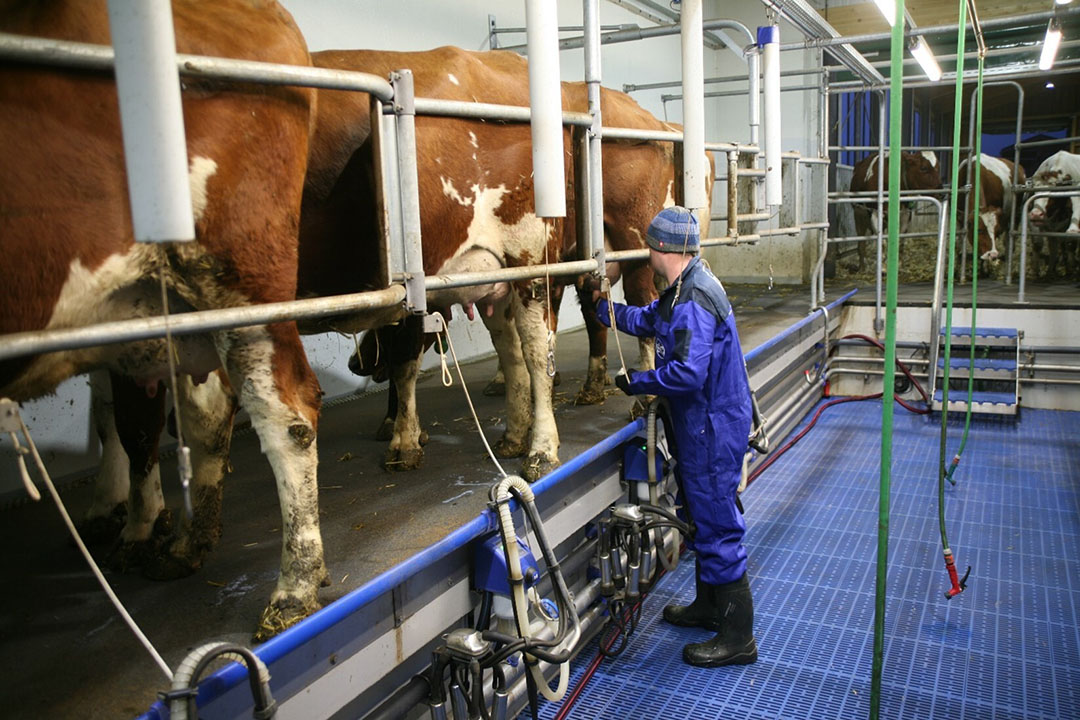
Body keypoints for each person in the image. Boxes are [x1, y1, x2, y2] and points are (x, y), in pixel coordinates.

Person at [596, 205, 756, 667]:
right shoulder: (682, 289)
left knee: (718, 525)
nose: (646, 253)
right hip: (699, 425)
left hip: (711, 427)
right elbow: (648, 320)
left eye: (649, 246)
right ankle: (710, 607)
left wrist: (640, 382)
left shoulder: (694, 297)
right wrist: (604, 310)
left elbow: (687, 374)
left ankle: (737, 637)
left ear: (660, 248)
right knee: (702, 519)